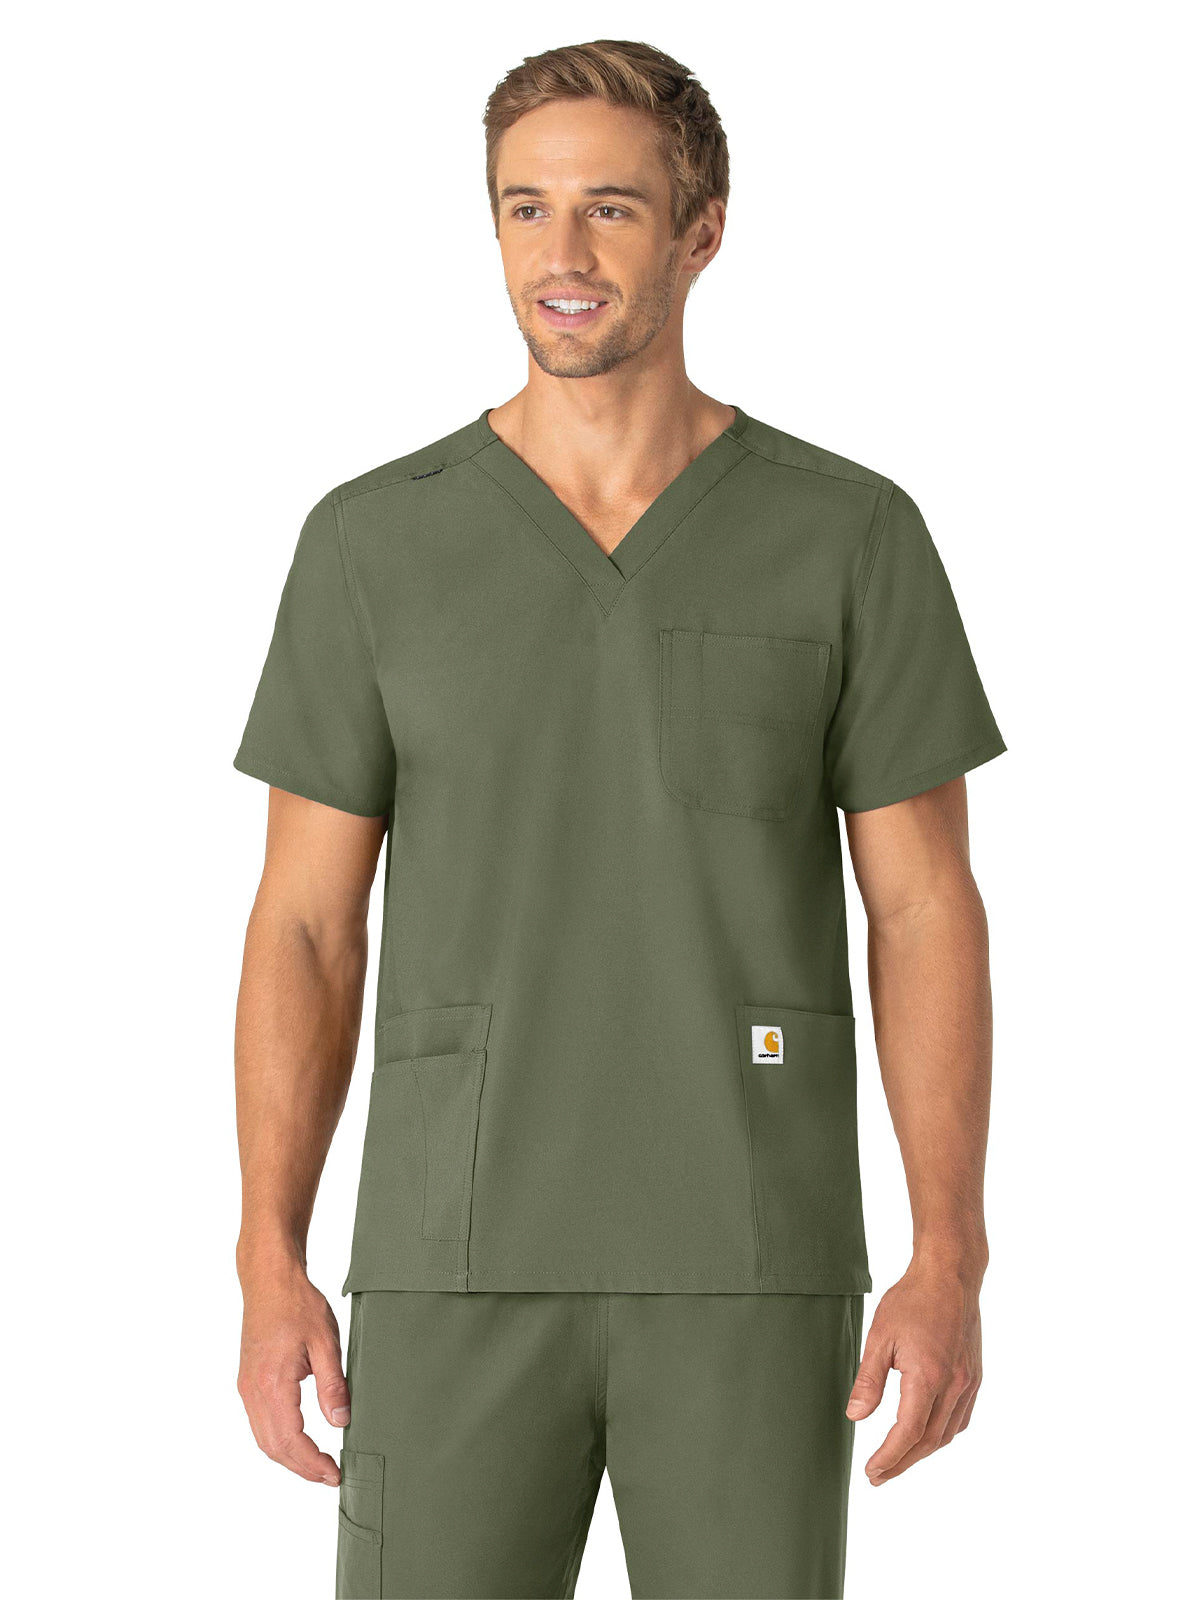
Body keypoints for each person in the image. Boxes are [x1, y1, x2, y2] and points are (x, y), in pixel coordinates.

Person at [232, 37, 1005, 1600]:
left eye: (612, 209)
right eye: (525, 208)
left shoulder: (847, 537)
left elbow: (925, 907)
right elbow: (306, 923)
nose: (561, 254)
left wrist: (949, 1252)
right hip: (452, 1261)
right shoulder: (373, 546)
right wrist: (267, 1251)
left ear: (701, 232)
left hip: (749, 1251)